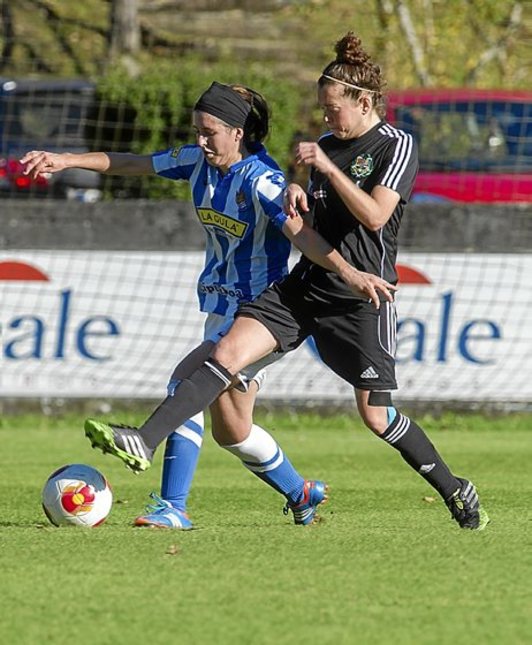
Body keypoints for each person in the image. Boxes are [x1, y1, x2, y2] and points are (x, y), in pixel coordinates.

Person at [22, 80, 395, 529]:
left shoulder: (263, 181)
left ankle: (171, 505)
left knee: (186, 383)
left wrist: (351, 273)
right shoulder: (196, 161)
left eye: (209, 132)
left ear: (237, 132)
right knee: (233, 432)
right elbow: (133, 162)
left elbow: (305, 238)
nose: (200, 141)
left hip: (261, 313)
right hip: (220, 308)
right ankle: (300, 492)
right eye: (197, 131)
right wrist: (66, 160)